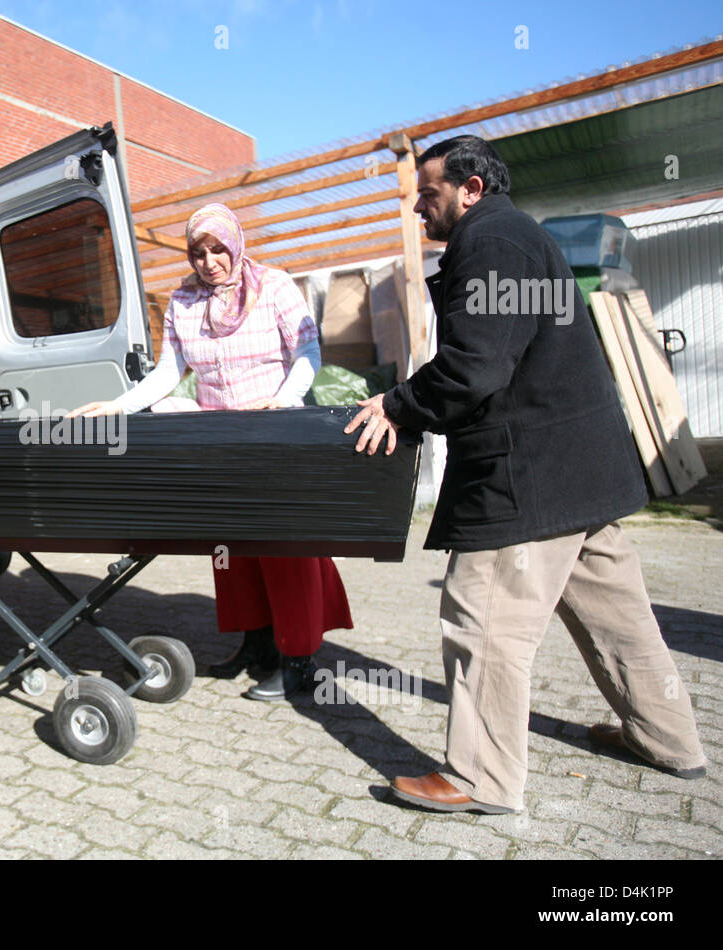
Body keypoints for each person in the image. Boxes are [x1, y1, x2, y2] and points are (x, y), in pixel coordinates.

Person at [346, 135, 707, 814]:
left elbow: (476, 366)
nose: (421, 209)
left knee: (481, 618)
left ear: (471, 188)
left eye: (429, 193)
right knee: (620, 619)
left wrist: (398, 405)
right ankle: (671, 741)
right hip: (579, 475)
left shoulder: (490, 242)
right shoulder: (518, 237)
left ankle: (479, 777)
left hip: (526, 478)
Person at [71, 202, 352, 700]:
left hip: (274, 434)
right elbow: (167, 371)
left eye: (217, 248)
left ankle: (300, 662)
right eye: (198, 252)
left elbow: (308, 351)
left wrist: (284, 399)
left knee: (284, 550)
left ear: (235, 243)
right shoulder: (183, 301)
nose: (209, 261)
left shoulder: (275, 286)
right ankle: (257, 645)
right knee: (232, 550)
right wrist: (116, 406)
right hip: (221, 440)